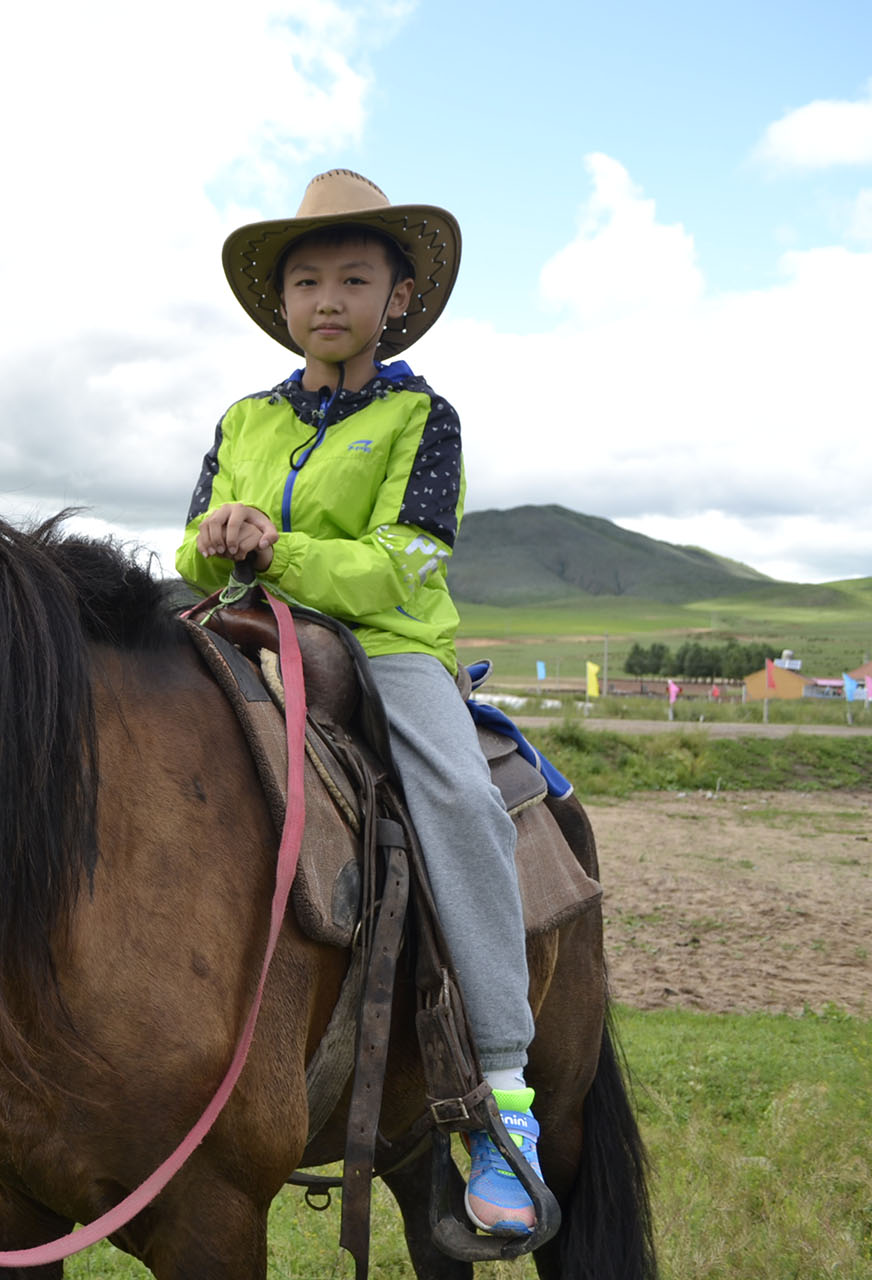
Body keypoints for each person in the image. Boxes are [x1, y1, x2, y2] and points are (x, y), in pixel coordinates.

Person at [175, 169, 545, 1234]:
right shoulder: (243, 418)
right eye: (306, 280)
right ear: (282, 303)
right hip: (241, 628)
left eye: (352, 277)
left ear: (394, 298)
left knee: (464, 803)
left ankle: (502, 1102)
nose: (327, 297)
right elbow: (187, 552)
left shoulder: (423, 417)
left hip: (383, 646)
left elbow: (401, 566)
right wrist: (211, 545)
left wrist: (277, 545)